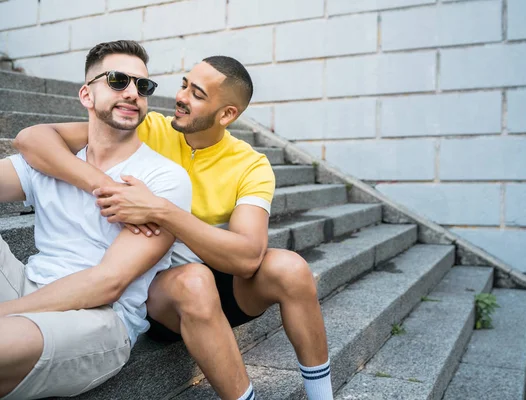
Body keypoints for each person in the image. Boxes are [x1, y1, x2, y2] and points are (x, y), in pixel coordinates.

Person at [15, 54, 334, 399]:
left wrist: (163, 211)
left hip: (219, 274)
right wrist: (111, 190)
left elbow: (246, 258)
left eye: (197, 94)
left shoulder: (251, 165)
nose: (180, 97)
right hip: (161, 289)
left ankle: (322, 395)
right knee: (194, 282)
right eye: (184, 85)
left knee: (292, 269)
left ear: (227, 114)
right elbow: (34, 140)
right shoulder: (150, 129)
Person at [0, 40, 192, 399]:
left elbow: (108, 283)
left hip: (100, 319)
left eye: (143, 86)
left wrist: (5, 313)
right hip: (29, 286)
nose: (133, 92)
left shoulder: (163, 179)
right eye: (119, 80)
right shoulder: (54, 159)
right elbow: (30, 142)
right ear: (87, 95)